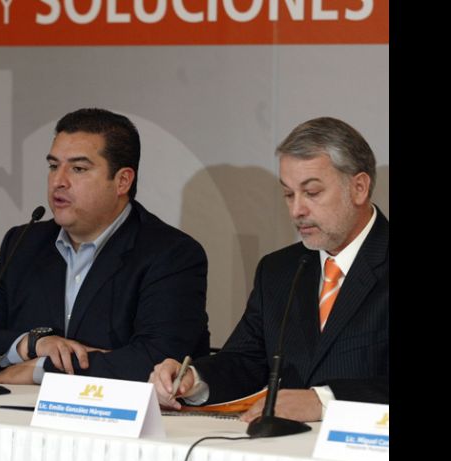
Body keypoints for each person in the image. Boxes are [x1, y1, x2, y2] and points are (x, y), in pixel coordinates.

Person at [0, 108, 210, 384]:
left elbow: (160, 364)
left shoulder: (171, 254)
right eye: (54, 166)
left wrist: (39, 370)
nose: (58, 181)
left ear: (122, 181)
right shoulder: (24, 244)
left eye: (78, 169)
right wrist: (30, 345)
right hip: (22, 419)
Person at [149, 117, 388, 422]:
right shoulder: (279, 270)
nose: (296, 210)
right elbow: (246, 360)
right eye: (288, 194)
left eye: (312, 192)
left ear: (359, 187)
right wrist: (193, 379)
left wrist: (323, 401)